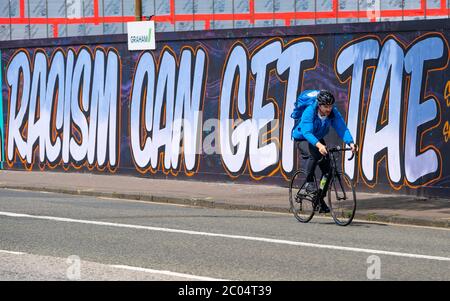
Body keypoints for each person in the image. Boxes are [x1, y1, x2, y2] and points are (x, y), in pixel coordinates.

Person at [292, 90, 357, 213]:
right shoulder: (309, 111)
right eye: (325, 106)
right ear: (319, 105)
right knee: (314, 154)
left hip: (317, 138)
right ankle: (309, 183)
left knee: (328, 171)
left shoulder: (333, 113)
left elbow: (342, 128)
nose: (328, 109)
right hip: (303, 138)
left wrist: (351, 142)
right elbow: (307, 132)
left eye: (330, 106)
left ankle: (319, 200)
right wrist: (319, 146)